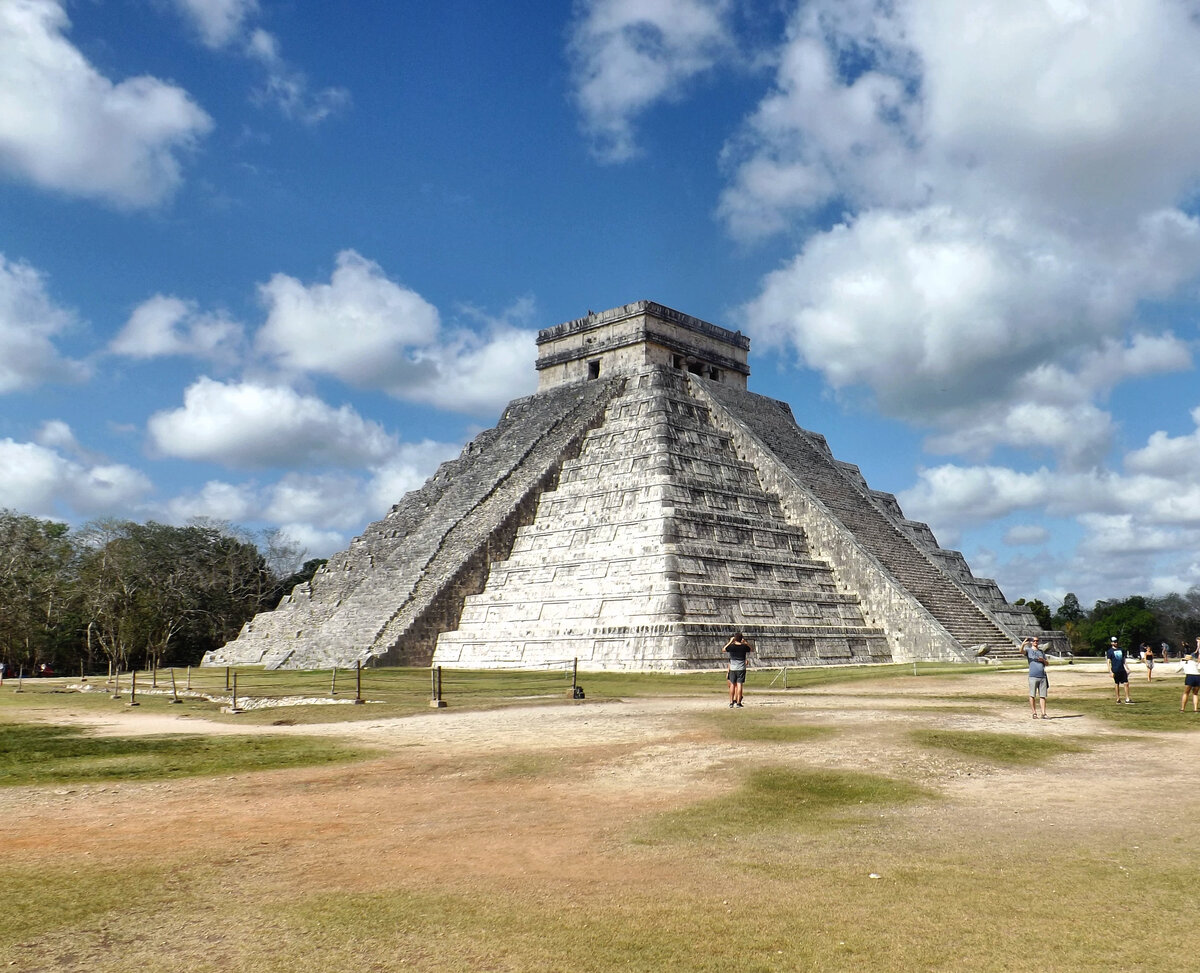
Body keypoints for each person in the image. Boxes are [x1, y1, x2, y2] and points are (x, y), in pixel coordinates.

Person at [1020, 636, 1049, 719]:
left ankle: (1043, 713)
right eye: (1034, 641)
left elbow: (1047, 663)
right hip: (1033, 676)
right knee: (1032, 695)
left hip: (1042, 676)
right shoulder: (1029, 651)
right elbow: (1021, 651)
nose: (1036, 642)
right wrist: (1023, 644)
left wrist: (1043, 660)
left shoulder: (1041, 652)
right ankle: (1034, 713)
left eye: (1037, 641)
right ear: (1032, 642)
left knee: (1042, 696)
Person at [722, 632, 754, 708]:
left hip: (733, 668)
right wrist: (746, 643)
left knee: (732, 685)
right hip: (741, 668)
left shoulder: (731, 647)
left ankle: (731, 702)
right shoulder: (744, 647)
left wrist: (730, 641)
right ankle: (738, 702)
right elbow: (751, 649)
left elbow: (723, 649)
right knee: (739, 684)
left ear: (735, 639)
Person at [1107, 637, 1133, 703]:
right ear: (1111, 643)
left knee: (1126, 683)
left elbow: (1124, 660)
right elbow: (1108, 662)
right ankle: (1118, 698)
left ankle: (1127, 698)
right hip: (1115, 670)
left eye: (1116, 641)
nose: (1115, 643)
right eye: (1114, 642)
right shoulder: (1109, 651)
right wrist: (1110, 671)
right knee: (1116, 683)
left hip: (1122, 669)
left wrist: (1127, 668)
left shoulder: (1121, 649)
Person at [1179, 648, 1200, 713]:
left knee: (1186, 693)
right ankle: (1195, 709)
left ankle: (1182, 709)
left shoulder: (1184, 663)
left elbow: (1176, 670)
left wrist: (1180, 662)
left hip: (1190, 676)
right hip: (1198, 676)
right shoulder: (1194, 663)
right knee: (1195, 693)